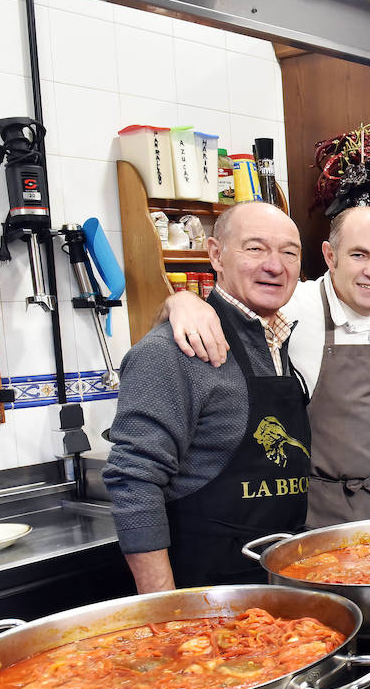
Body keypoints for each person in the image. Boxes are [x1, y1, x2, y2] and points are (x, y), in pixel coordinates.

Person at [103, 201, 309, 592]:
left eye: (289, 252)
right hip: (203, 592)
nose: (275, 265)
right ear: (215, 254)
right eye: (255, 248)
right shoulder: (170, 350)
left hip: (280, 584)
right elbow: (133, 480)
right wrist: (165, 610)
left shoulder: (278, 338)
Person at [163, 205, 370, 528]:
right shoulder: (293, 305)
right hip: (317, 507)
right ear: (330, 256)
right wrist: (181, 302)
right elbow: (231, 306)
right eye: (359, 255)